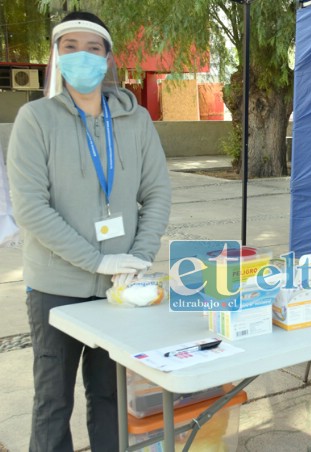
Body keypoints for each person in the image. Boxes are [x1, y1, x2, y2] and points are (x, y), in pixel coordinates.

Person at [7, 12, 171, 452]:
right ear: (57, 56)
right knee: (52, 402)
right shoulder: (35, 120)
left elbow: (157, 193)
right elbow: (31, 209)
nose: (82, 56)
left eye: (93, 48)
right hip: (55, 289)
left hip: (120, 289)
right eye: (71, 46)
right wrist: (96, 260)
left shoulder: (136, 122)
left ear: (108, 58)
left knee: (111, 397)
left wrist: (138, 256)